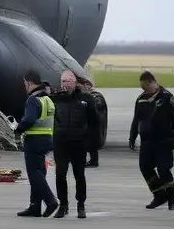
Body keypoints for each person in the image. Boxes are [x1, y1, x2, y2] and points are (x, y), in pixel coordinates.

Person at [49, 69, 100, 219]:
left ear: (74, 82)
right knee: (60, 174)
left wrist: (92, 144)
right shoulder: (56, 99)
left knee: (79, 175)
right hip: (61, 143)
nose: (65, 85)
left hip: (79, 143)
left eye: (68, 81)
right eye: (63, 82)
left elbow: (95, 123)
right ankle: (63, 205)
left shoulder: (86, 99)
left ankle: (81, 205)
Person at [128, 71, 174, 210]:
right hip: (147, 141)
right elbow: (136, 119)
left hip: (163, 140)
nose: (144, 90)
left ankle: (171, 196)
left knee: (163, 169)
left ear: (153, 82)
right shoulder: (141, 99)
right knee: (145, 168)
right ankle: (158, 195)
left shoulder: (167, 97)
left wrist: (172, 137)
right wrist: (132, 136)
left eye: (145, 87)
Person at [13, 69, 58, 217]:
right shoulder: (47, 99)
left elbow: (29, 120)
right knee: (40, 172)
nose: (25, 87)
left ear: (30, 83)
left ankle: (50, 200)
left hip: (34, 140)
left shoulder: (33, 99)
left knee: (34, 173)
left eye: (25, 84)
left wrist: (18, 128)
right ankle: (35, 206)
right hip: (47, 140)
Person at [79, 77, 106, 167]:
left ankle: (94, 161)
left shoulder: (95, 96)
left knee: (92, 144)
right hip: (87, 123)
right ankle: (86, 160)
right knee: (86, 143)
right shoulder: (82, 96)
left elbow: (99, 106)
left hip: (93, 123)